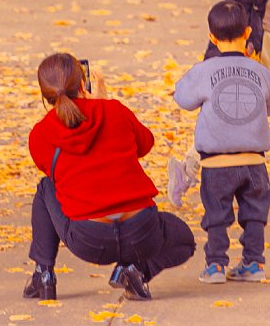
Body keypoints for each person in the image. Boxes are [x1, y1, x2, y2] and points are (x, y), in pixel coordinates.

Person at [24, 53, 196, 302]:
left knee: (45, 188)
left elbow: (51, 172)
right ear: (83, 85)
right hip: (142, 232)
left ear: (45, 97)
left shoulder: (40, 134)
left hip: (89, 240)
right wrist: (105, 104)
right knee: (184, 241)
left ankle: (44, 274)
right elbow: (145, 144)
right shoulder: (113, 110)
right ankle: (134, 272)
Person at [174, 1, 270, 284]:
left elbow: (183, 99)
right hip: (254, 161)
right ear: (247, 32)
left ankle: (216, 266)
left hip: (217, 162)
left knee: (217, 214)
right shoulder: (258, 71)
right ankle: (254, 263)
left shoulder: (204, 70)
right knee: (255, 214)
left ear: (211, 37)